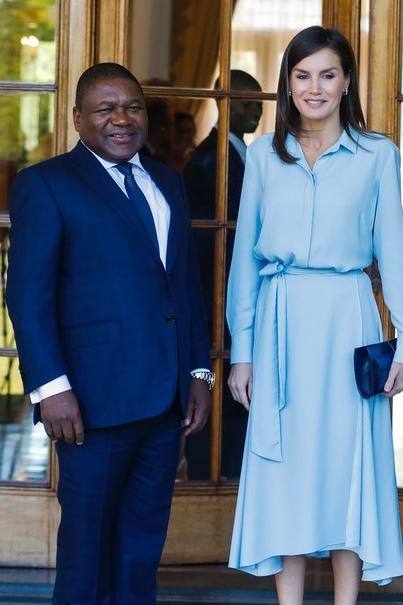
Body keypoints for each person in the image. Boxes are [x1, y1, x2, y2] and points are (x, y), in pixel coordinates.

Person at [225, 26, 403, 605]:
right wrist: (242, 351)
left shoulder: (376, 155)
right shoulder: (261, 156)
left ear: (347, 83)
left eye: (328, 75)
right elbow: (244, 262)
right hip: (280, 325)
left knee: (348, 480)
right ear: (288, 83)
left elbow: (394, 257)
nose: (314, 88)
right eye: (302, 75)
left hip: (347, 320)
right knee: (286, 481)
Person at [6, 62, 213, 605]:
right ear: (78, 119)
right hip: (88, 400)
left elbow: (184, 285)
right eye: (104, 109)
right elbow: (28, 295)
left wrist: (199, 370)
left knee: (143, 535)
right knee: (88, 534)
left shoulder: (170, 184)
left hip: (162, 397)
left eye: (131, 107)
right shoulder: (47, 185)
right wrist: (50, 385)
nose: (121, 119)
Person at [183, 70, 264, 481]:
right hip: (220, 293)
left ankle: (232, 475)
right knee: (222, 402)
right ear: (223, 104)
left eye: (259, 103)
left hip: (235, 293)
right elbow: (221, 241)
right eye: (248, 103)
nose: (257, 111)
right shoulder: (212, 159)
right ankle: (213, 481)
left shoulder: (244, 154)